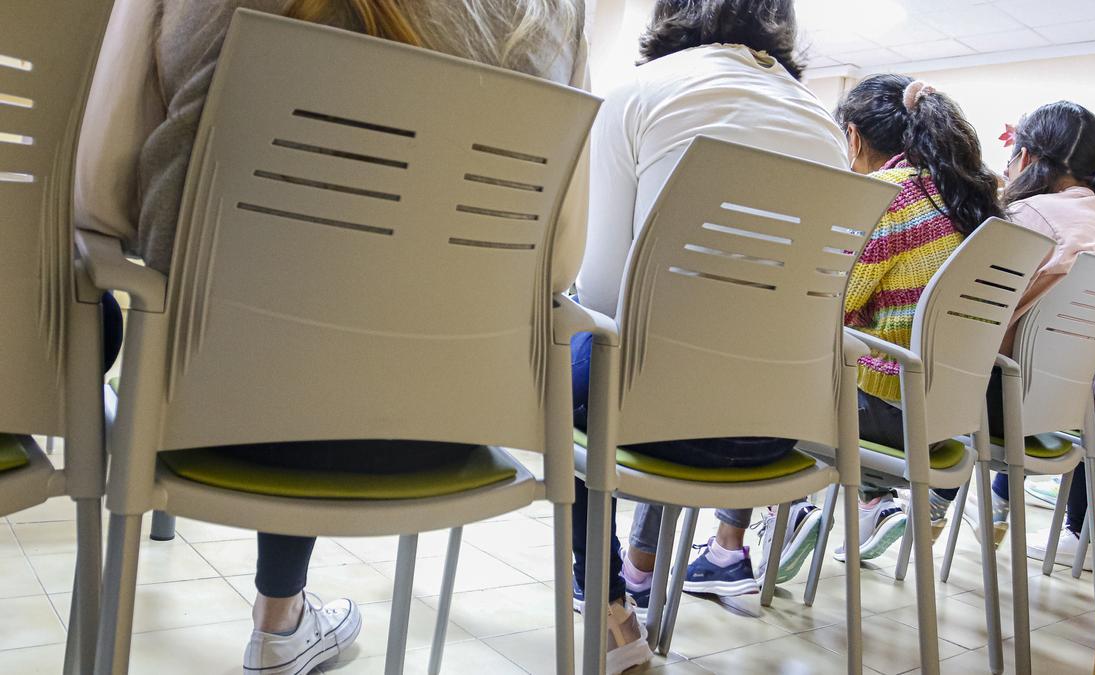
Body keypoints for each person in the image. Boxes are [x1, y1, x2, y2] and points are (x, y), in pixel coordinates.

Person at [74, 1, 585, 674]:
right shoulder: (548, 17)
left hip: (218, 405)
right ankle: (283, 619)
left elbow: (100, 202)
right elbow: (562, 261)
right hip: (444, 427)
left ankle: (278, 617)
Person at [571, 0, 847, 670]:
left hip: (653, 413)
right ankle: (630, 580)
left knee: (563, 341)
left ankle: (609, 606)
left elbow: (601, 295)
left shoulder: (640, 95)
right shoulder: (826, 126)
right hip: (779, 430)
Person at [785, 74, 1002, 563]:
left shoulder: (886, 195)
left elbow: (828, 302)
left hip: (887, 408)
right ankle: (872, 506)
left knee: (776, 370)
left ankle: (781, 515)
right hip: (951, 416)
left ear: (854, 137)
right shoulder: (963, 199)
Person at [977, 101, 1095, 568]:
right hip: (1065, 410)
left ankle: (894, 496)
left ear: (1028, 158)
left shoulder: (1027, 217)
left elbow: (974, 322)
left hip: (994, 403)